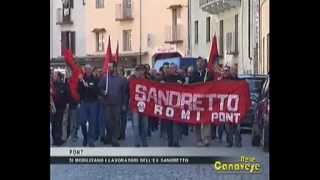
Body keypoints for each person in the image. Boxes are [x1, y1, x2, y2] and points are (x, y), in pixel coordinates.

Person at [98, 63, 127, 147]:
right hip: (107, 104)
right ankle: (109, 136)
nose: (109, 68)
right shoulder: (105, 78)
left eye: (111, 67)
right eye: (108, 67)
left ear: (115, 68)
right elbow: (99, 88)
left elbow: (124, 93)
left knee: (117, 122)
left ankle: (114, 139)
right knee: (108, 122)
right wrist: (103, 92)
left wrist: (124, 104)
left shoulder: (120, 79)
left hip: (117, 104)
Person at [190, 57, 213, 146]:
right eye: (198, 62)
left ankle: (206, 138)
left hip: (206, 101)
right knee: (197, 121)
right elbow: (190, 86)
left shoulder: (208, 74)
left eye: (201, 62)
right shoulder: (193, 74)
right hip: (196, 101)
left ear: (204, 64)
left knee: (206, 120)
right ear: (196, 64)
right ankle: (198, 139)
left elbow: (212, 85)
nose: (200, 64)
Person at [162, 63, 184, 147]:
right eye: (171, 68)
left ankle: (176, 141)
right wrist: (161, 83)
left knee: (176, 124)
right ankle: (170, 141)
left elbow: (186, 87)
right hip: (167, 104)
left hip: (177, 104)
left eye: (174, 68)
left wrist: (181, 83)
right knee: (169, 124)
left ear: (176, 69)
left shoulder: (180, 77)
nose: (172, 69)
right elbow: (158, 85)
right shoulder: (165, 78)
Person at [78, 64, 100, 147]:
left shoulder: (95, 79)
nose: (87, 70)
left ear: (91, 70)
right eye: (86, 69)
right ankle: (85, 137)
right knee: (82, 121)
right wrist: (81, 82)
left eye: (89, 69)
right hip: (84, 102)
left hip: (93, 103)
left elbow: (97, 91)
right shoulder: (81, 79)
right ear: (84, 70)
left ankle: (91, 140)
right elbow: (79, 90)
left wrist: (89, 86)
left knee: (92, 122)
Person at [222, 65, 242, 147]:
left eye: (235, 70)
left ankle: (238, 141)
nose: (234, 71)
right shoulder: (223, 81)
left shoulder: (239, 81)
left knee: (237, 125)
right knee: (228, 126)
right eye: (233, 70)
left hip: (236, 106)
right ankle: (229, 141)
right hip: (227, 106)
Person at [130, 65, 149, 147]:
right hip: (135, 106)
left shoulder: (148, 80)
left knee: (144, 125)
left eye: (142, 70)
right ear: (136, 71)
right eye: (139, 70)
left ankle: (144, 141)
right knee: (136, 124)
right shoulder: (131, 79)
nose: (140, 72)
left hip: (145, 106)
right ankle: (136, 142)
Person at [51, 72, 69, 146]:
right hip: (52, 108)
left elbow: (67, 95)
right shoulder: (52, 85)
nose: (53, 77)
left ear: (58, 77)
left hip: (60, 108)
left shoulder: (63, 85)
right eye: (53, 76)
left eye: (55, 76)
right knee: (54, 124)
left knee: (59, 123)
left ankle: (58, 140)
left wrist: (67, 105)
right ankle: (54, 139)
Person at [117, 66, 129, 140]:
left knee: (123, 120)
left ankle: (122, 134)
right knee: (118, 120)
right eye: (118, 71)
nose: (119, 72)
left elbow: (126, 93)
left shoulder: (125, 80)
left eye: (120, 71)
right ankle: (119, 134)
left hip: (123, 102)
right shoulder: (116, 79)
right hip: (116, 102)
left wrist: (124, 103)